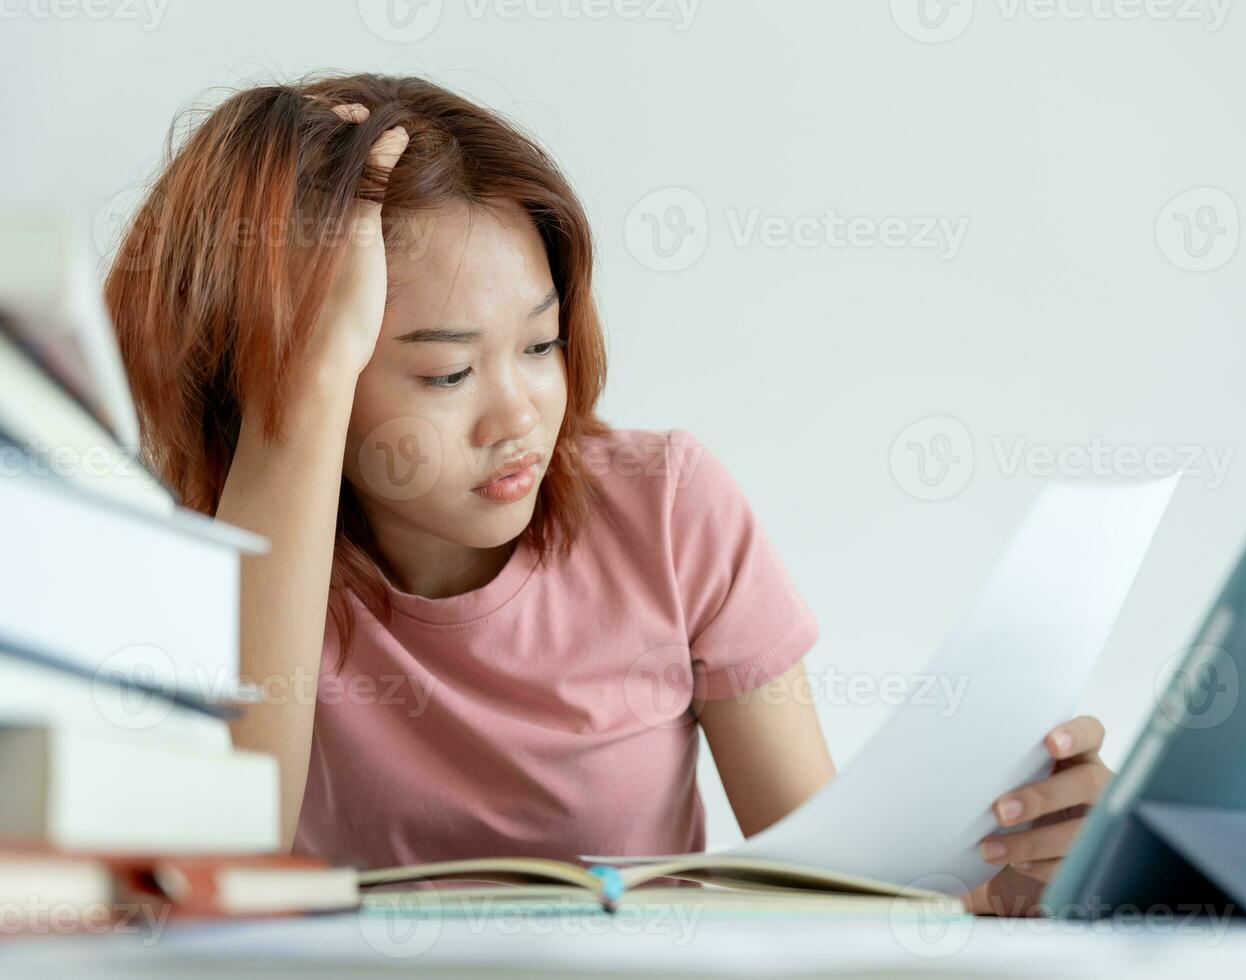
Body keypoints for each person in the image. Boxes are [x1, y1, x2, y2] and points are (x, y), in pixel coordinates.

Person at [104, 72, 1112, 916]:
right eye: (446, 374)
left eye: (541, 344)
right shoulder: (211, 560)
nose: (518, 417)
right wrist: (304, 390)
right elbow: (211, 861)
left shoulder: (667, 507)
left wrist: (1007, 878)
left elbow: (837, 881)